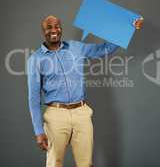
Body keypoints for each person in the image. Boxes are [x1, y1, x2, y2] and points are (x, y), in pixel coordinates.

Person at [27, 15, 143, 167]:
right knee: (54, 163)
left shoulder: (76, 47)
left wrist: (128, 29)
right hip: (56, 115)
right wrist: (38, 131)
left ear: (61, 28)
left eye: (57, 26)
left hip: (81, 113)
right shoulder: (35, 59)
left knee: (86, 163)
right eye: (49, 27)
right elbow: (34, 98)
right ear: (43, 32)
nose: (54, 30)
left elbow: (104, 49)